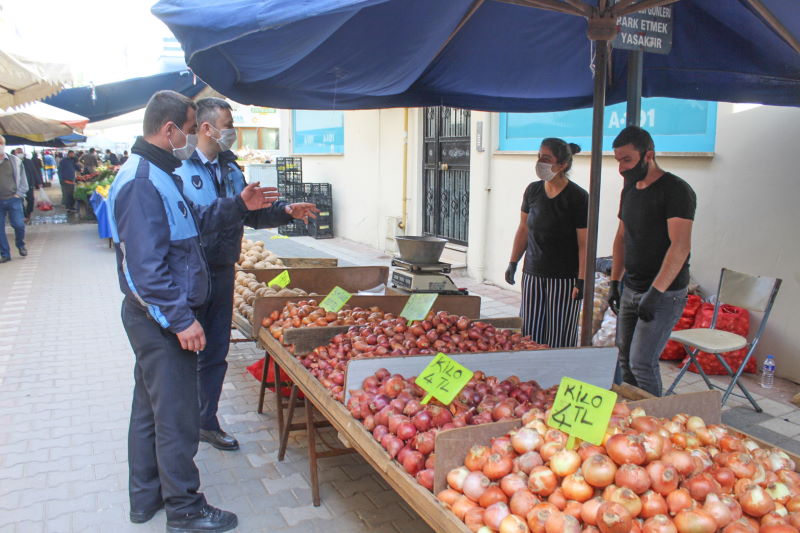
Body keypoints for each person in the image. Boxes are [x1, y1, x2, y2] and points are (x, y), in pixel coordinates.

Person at [108, 90, 277, 532]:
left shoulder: (162, 175)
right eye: (186, 129)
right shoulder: (144, 181)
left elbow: (194, 222)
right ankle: (185, 508)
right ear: (169, 131)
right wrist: (181, 320)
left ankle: (145, 499)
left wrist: (239, 206)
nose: (189, 137)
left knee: (149, 411)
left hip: (157, 318)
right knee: (177, 417)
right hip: (159, 322)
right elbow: (145, 269)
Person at [176, 97, 319, 451]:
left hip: (224, 270)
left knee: (215, 351)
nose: (233, 132)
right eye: (228, 124)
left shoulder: (231, 169)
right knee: (182, 354)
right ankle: (178, 424)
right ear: (206, 128)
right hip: (191, 271)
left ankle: (206, 421)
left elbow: (251, 215)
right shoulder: (180, 170)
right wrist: (238, 206)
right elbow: (193, 221)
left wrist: (285, 211)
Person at [608, 125, 696, 397]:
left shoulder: (676, 191)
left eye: (627, 160)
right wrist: (614, 282)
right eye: (618, 161)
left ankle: (653, 422)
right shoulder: (630, 189)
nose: (622, 168)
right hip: (631, 288)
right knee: (624, 359)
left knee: (642, 363)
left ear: (649, 155)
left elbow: (680, 247)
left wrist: (656, 293)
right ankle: (634, 415)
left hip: (664, 292)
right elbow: (622, 237)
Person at [505, 138, 588, 348]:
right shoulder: (532, 191)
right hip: (533, 273)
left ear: (563, 165)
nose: (540, 162)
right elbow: (523, 228)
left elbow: (584, 244)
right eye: (539, 156)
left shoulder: (578, 197)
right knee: (530, 334)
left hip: (564, 279)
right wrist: (513, 262)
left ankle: (559, 376)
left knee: (559, 335)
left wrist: (582, 279)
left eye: (546, 158)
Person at [0, 136, 29, 262]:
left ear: (4, 145)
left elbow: (23, 181)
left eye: (0, 143)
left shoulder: (14, 161)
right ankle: (5, 254)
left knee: (18, 225)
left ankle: (20, 245)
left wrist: (18, 194)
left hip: (13, 198)